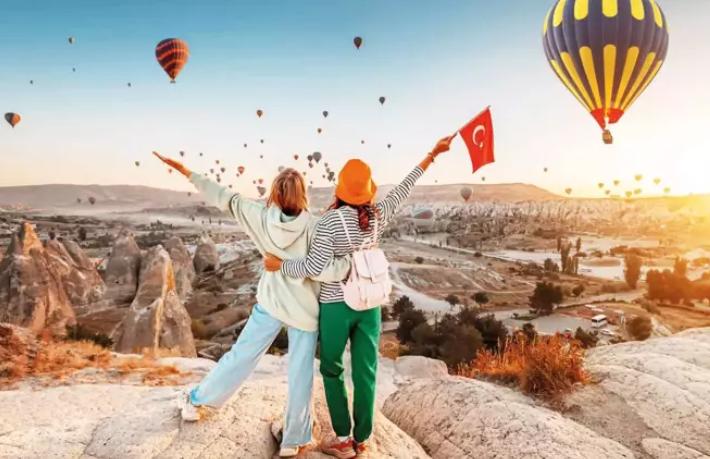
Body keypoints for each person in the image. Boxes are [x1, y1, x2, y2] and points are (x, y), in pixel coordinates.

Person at [264, 135, 454, 458]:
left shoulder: (328, 223)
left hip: (336, 306)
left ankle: (342, 439)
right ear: (367, 191)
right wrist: (432, 154)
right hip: (370, 305)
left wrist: (280, 265)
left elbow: (313, 267)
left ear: (339, 190)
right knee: (366, 371)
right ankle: (362, 437)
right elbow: (404, 189)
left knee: (332, 369)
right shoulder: (377, 216)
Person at [154, 152, 350, 458]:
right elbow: (331, 269)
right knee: (300, 373)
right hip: (304, 310)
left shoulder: (260, 216)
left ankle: (197, 402)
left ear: (274, 194)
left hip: (271, 302)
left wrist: (186, 171)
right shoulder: (316, 227)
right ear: (303, 195)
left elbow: (223, 195)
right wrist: (342, 265)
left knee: (242, 355)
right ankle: (293, 439)